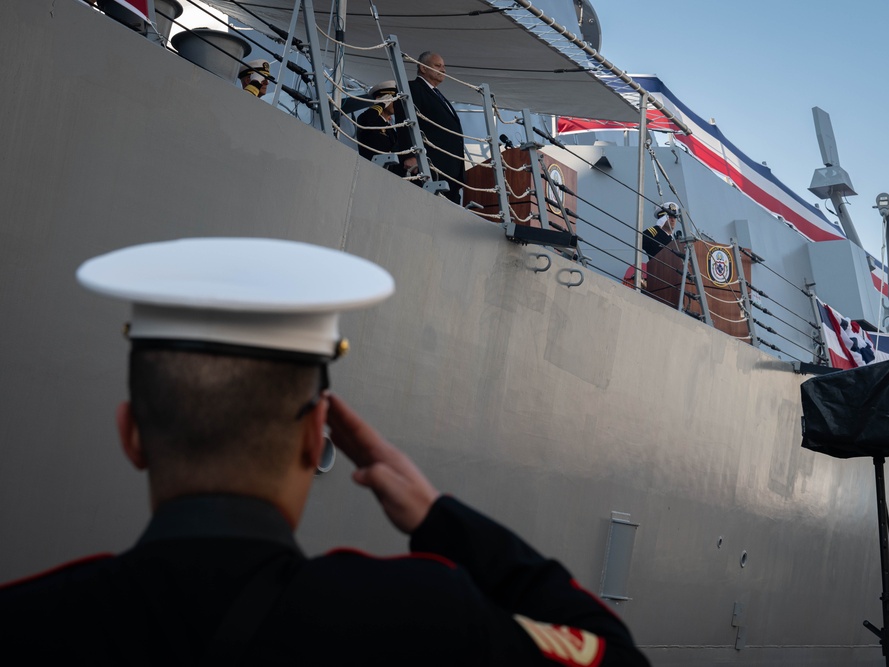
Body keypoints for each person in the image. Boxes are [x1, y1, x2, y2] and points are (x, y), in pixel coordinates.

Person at [0, 238, 649, 666]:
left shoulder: (26, 621)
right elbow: (616, 657)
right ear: (318, 437)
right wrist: (437, 516)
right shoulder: (423, 615)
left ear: (131, 433)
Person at [398, 51, 466, 204]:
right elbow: (406, 119)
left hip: (450, 172)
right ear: (423, 68)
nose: (443, 70)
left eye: (444, 66)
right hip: (429, 166)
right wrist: (410, 154)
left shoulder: (438, 95)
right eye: (438, 65)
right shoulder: (413, 88)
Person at [356, 80, 401, 166]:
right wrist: (381, 104)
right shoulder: (365, 118)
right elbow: (367, 120)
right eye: (392, 99)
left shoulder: (391, 130)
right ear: (380, 99)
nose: (396, 103)